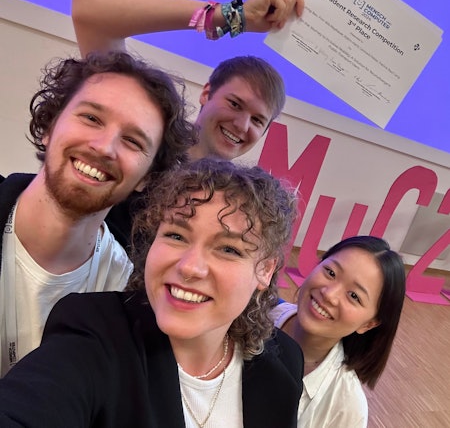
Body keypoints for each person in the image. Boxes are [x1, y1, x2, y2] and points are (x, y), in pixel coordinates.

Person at [0, 158, 304, 428]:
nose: (190, 267)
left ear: (265, 270)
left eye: (228, 249)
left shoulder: (284, 364)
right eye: (176, 235)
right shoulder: (95, 332)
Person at [0, 50, 197, 377]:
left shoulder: (130, 296)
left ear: (146, 178)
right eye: (91, 118)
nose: (104, 147)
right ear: (50, 126)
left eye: (133, 141)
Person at [71, 0, 304, 161]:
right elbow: (88, 9)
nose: (242, 125)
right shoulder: (144, 140)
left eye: (257, 120)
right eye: (235, 104)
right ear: (207, 93)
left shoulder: (236, 200)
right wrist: (233, 15)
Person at [271, 236, 406, 427]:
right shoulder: (253, 312)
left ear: (369, 324)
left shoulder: (346, 408)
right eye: (331, 272)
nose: (329, 294)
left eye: (354, 296)